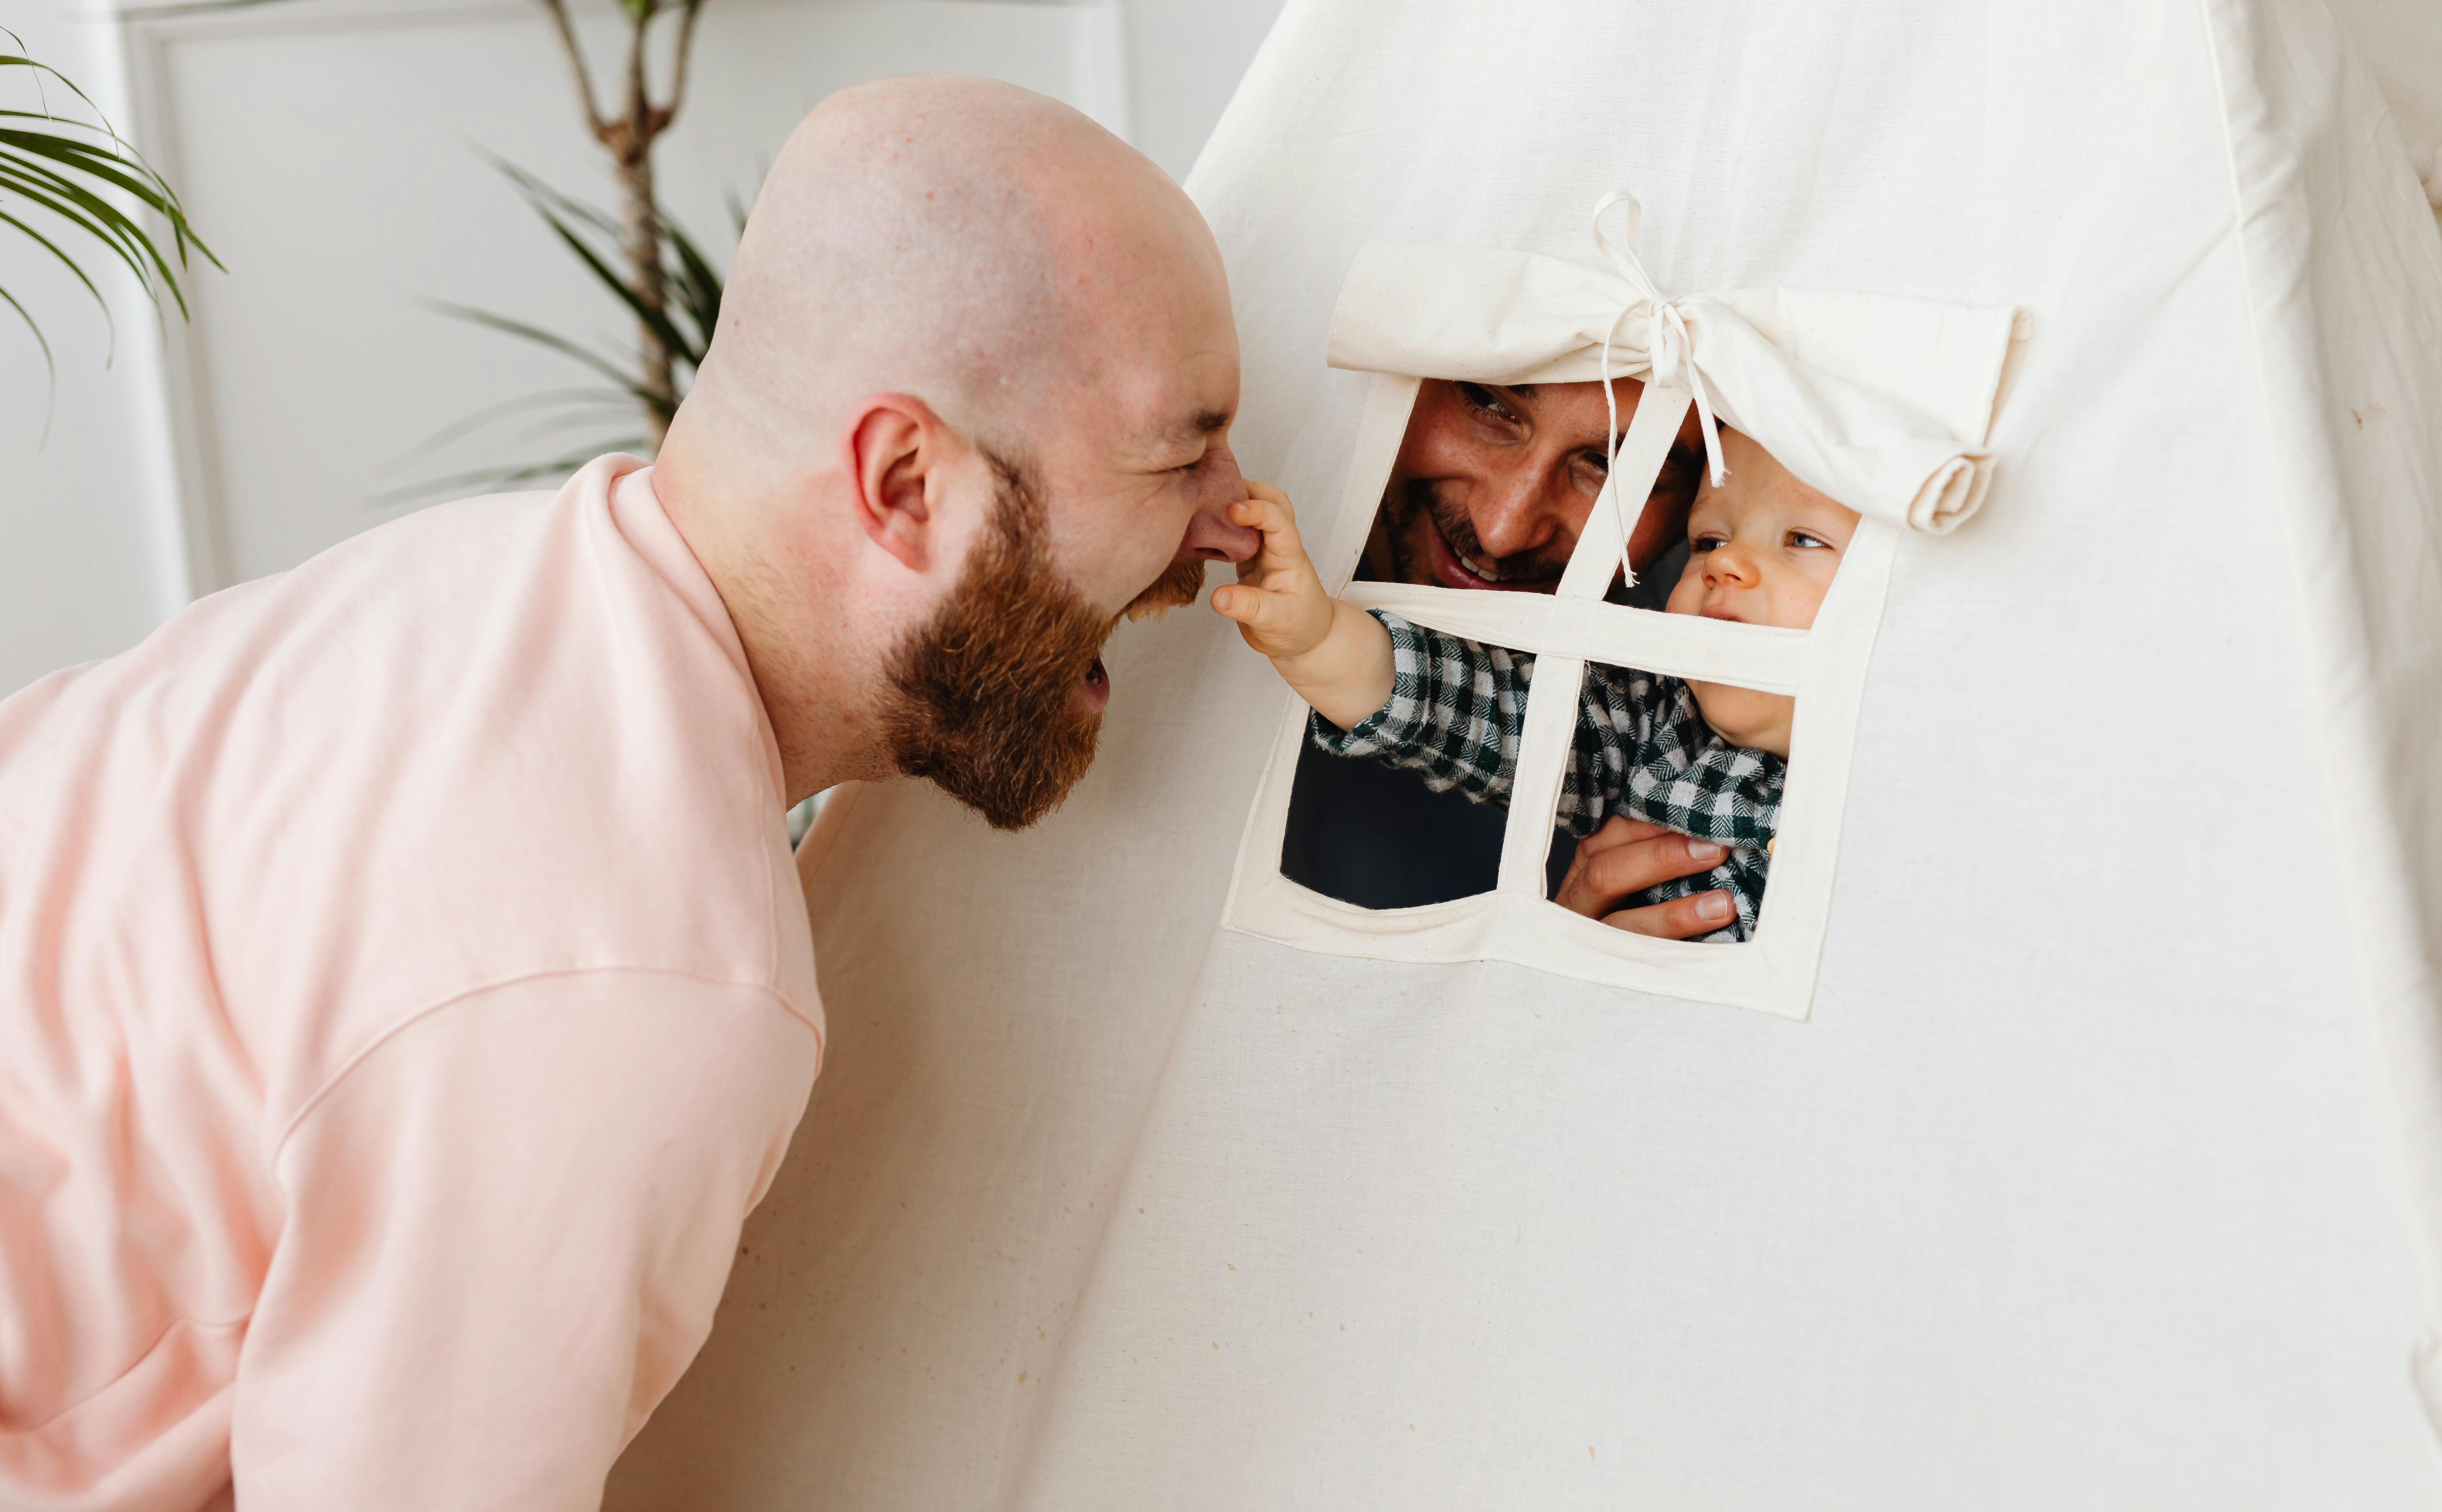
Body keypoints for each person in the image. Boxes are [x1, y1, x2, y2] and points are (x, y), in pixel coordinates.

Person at [0, 76, 1257, 1511]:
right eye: (1178, 453)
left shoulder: (491, 585)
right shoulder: (637, 972)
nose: (1233, 521)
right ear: (906, 479)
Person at [1219, 426, 1862, 942]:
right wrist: (1323, 642)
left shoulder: (1909, 794)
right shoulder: (1653, 729)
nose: (1725, 563)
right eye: (1709, 538)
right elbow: (1480, 711)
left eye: (1802, 540)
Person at [1276, 376, 1740, 935]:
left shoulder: (1706, 671)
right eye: (1489, 404)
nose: (1503, 531)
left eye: (1608, 465)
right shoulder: (1254, 520)